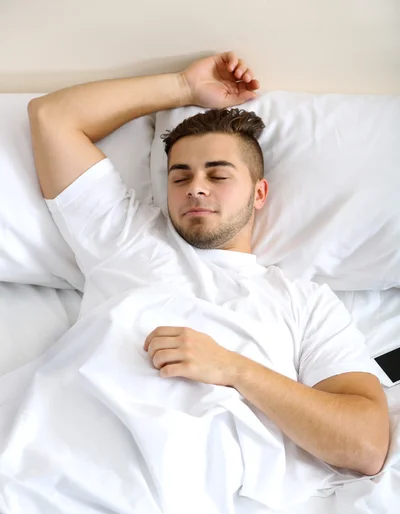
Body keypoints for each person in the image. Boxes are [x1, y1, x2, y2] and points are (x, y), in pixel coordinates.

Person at [28, 50, 389, 476]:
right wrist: (182, 87)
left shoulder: (304, 305)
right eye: (180, 177)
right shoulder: (125, 239)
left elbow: (365, 445)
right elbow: (51, 117)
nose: (195, 189)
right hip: (63, 459)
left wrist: (232, 368)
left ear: (259, 194)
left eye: (217, 176)